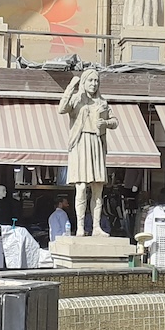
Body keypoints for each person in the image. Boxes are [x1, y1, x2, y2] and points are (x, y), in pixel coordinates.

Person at [59, 69, 118, 236]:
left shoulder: (102, 102)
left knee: (98, 187)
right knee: (82, 187)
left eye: (96, 81)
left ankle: (97, 227)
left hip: (97, 143)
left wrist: (105, 122)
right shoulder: (78, 100)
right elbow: (62, 109)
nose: (94, 84)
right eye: (90, 80)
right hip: (81, 143)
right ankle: (79, 227)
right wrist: (71, 87)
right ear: (84, 83)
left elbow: (115, 121)